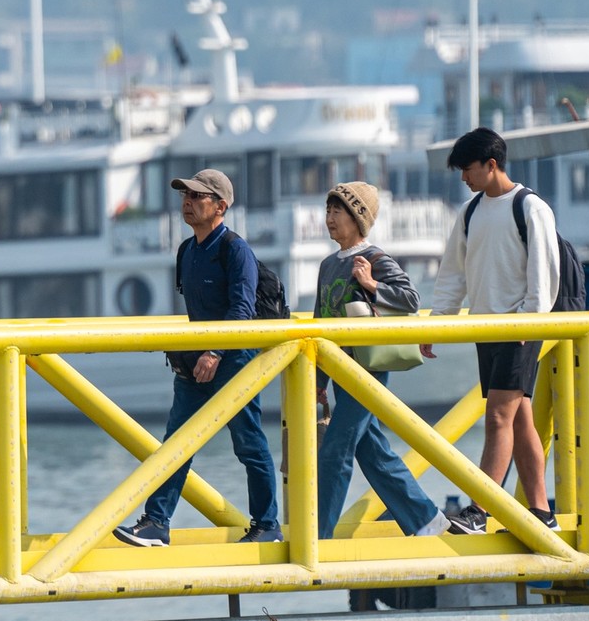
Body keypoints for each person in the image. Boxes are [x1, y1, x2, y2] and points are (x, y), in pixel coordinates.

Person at [115, 169, 281, 547]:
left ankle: (267, 525)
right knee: (176, 442)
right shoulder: (187, 250)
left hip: (234, 358)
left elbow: (242, 308)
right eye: (184, 196)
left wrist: (215, 350)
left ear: (220, 206)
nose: (187, 202)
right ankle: (156, 522)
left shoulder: (235, 249)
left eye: (197, 196)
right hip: (195, 361)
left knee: (249, 443)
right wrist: (193, 353)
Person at [421, 127, 558, 533]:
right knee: (520, 421)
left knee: (498, 416)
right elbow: (452, 275)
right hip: (487, 328)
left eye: (468, 168)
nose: (464, 177)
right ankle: (541, 511)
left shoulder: (531, 207)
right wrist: (439, 323)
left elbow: (544, 273)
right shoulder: (469, 212)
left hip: (519, 329)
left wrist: (529, 319)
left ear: (491, 164)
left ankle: (479, 510)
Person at [313, 182, 450, 540]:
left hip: (368, 370)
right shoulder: (328, 265)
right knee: (371, 450)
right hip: (339, 368)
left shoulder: (374, 258)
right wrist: (317, 380)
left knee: (336, 449)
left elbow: (410, 298)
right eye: (327, 211)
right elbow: (320, 320)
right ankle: (426, 520)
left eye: (337, 211)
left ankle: (318, 536)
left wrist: (371, 284)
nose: (329, 218)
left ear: (358, 218)